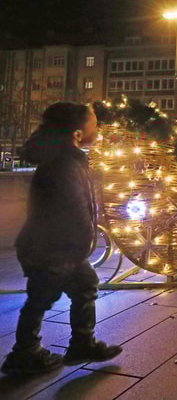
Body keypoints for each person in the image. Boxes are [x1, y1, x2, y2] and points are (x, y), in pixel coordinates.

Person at [2, 103, 122, 375]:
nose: (98, 128)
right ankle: (24, 354)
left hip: (63, 249)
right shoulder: (63, 165)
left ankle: (81, 343)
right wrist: (80, 245)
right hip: (52, 250)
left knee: (84, 286)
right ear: (78, 134)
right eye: (94, 124)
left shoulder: (68, 160)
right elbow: (71, 209)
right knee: (41, 299)